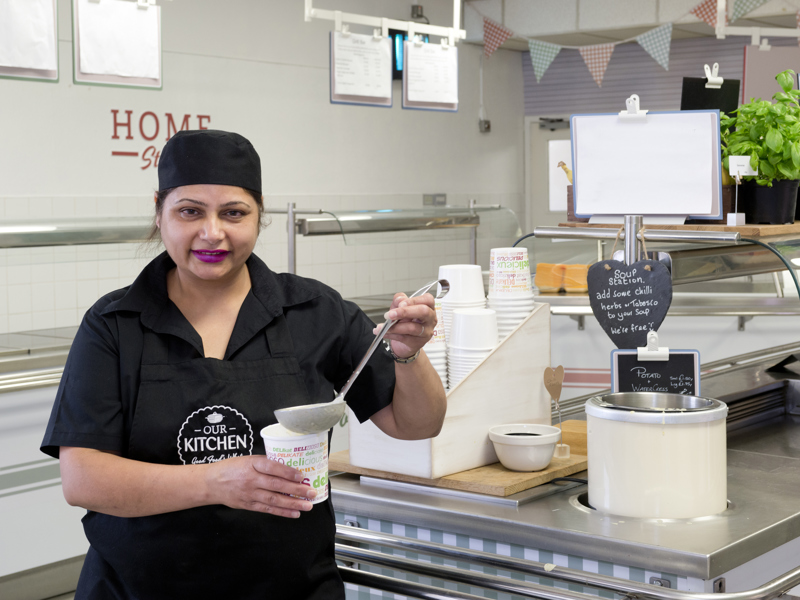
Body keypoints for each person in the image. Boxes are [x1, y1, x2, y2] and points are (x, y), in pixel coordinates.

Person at [40, 129, 447, 599]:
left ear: (259, 216)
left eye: (233, 213)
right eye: (189, 211)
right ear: (160, 211)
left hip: (290, 589)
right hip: (138, 589)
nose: (212, 233)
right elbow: (83, 479)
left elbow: (416, 424)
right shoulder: (115, 324)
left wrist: (409, 355)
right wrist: (217, 481)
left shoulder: (317, 312)